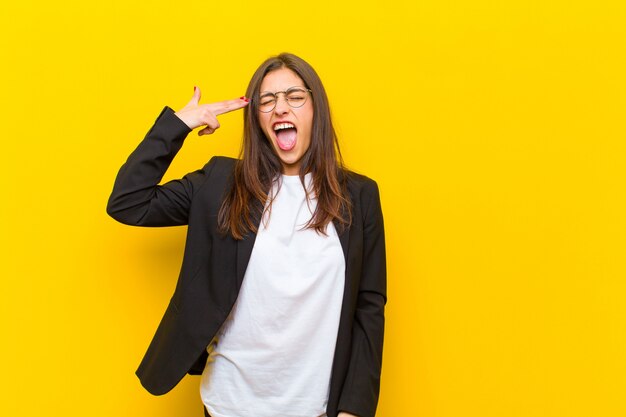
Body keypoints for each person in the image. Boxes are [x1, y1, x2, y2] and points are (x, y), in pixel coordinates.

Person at [107, 53, 386, 417]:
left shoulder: (358, 196)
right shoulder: (221, 184)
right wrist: (178, 125)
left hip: (316, 409)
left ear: (316, 109)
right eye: (267, 101)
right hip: (229, 405)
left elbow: (368, 306)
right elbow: (129, 202)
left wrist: (355, 409)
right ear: (256, 118)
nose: (280, 108)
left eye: (294, 96)